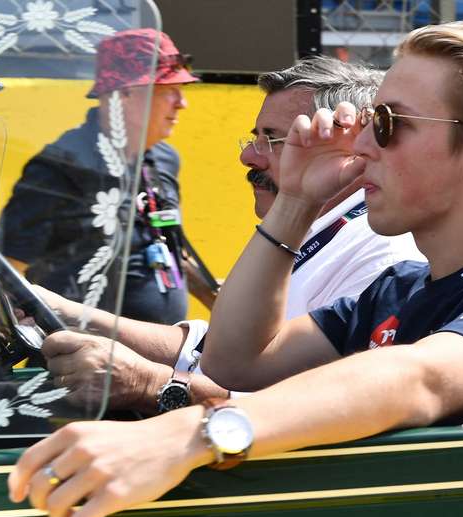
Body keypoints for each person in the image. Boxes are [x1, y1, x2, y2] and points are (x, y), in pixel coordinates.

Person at [8, 22, 463, 517]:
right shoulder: (399, 288)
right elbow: (236, 363)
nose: (362, 145)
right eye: (369, 121)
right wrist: (295, 198)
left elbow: (416, 379)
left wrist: (195, 431)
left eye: (388, 124)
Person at [29, 56, 423, 413]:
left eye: (274, 138)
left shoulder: (382, 257)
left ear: (348, 147)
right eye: (255, 137)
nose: (248, 156)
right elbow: (210, 351)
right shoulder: (326, 231)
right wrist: (65, 312)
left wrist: (150, 384)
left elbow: (318, 410)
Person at [0, 29, 211, 332]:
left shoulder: (164, 159)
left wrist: (220, 303)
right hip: (83, 369)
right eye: (167, 89)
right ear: (122, 95)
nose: (182, 103)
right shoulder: (62, 167)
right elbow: (0, 274)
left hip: (159, 363)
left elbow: (168, 249)